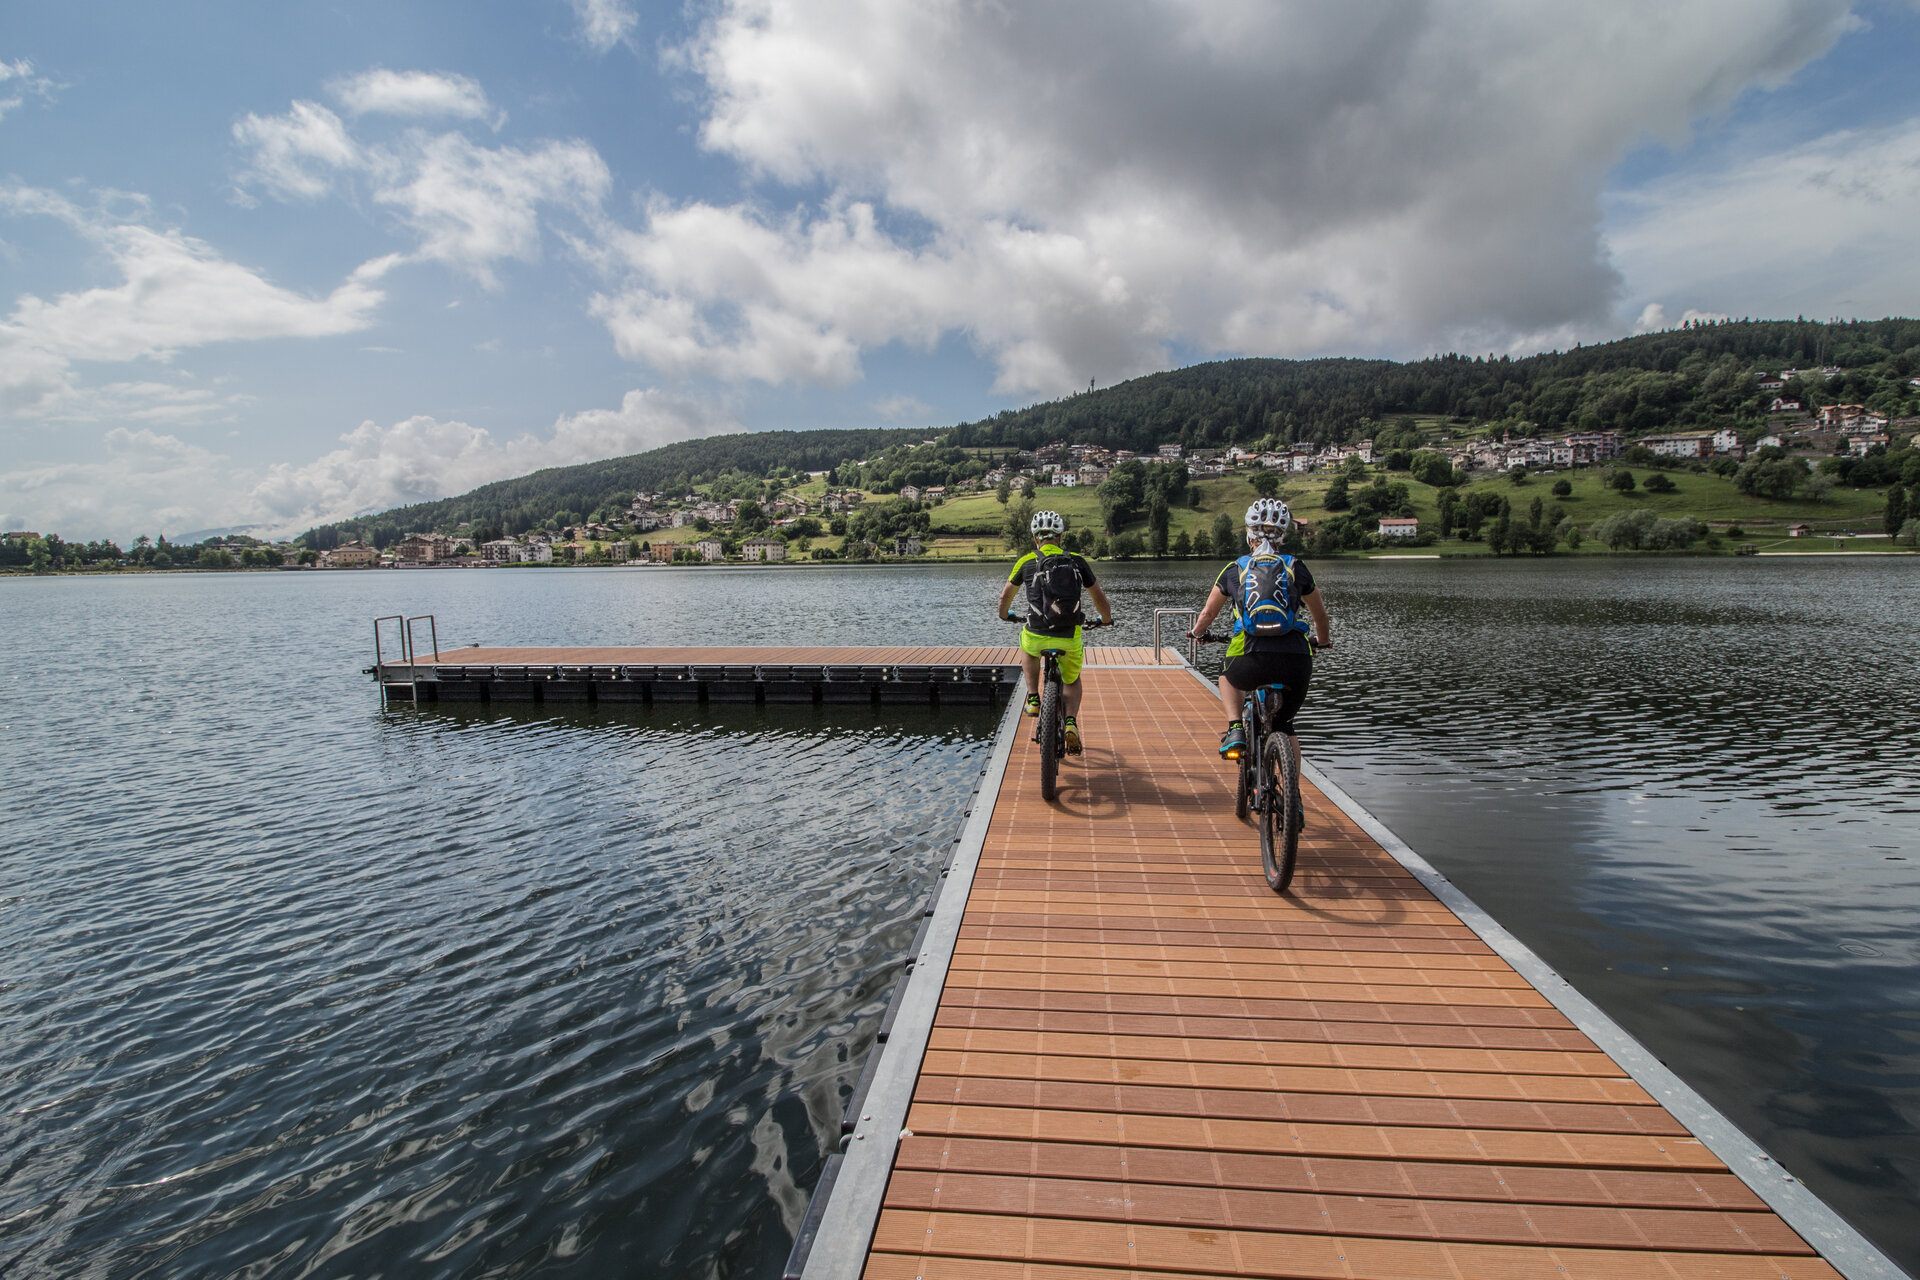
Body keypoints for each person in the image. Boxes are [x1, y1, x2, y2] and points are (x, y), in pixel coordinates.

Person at [1187, 498, 1331, 760]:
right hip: (1296, 660)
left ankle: (1235, 729)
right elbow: (1320, 615)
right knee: (1285, 727)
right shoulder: (1296, 567)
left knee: (1226, 677)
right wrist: (1321, 642)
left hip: (1249, 658)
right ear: (1283, 537)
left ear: (1249, 534)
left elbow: (1208, 613)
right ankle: (1294, 798)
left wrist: (1197, 634)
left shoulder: (1236, 568)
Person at [997, 510, 1114, 754]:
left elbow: (1005, 596)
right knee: (1072, 679)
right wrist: (1105, 619)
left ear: (1035, 538)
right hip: (1069, 636)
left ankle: (1032, 697)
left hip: (1036, 634)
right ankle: (1070, 722)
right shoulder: (1077, 561)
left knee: (1027, 648)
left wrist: (1004, 614)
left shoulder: (1026, 561)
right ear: (1060, 538)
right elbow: (1099, 597)